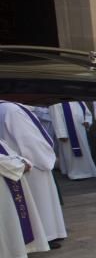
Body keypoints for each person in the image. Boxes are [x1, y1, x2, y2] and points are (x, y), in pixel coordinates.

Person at [0, 102, 66, 247]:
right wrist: (45, 159)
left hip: (16, 161)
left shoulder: (6, 108)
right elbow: (28, 138)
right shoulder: (12, 109)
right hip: (31, 162)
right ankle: (47, 235)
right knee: (41, 201)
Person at [0, 137, 50, 258]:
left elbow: (11, 153)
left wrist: (24, 161)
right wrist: (21, 165)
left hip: (8, 180)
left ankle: (15, 251)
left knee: (10, 218)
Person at [51, 101, 96, 180]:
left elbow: (88, 113)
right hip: (67, 132)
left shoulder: (79, 101)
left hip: (81, 130)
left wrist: (87, 121)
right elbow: (56, 117)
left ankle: (87, 171)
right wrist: (61, 134)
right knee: (69, 152)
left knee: (85, 151)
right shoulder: (57, 102)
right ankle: (75, 174)